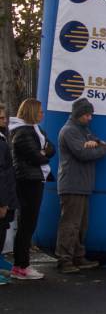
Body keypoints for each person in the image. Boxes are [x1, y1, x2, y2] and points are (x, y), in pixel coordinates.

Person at [56, 98, 106, 274]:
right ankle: (65, 259)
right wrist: (99, 148)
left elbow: (98, 144)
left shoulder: (82, 130)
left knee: (80, 224)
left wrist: (96, 146)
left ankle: (78, 256)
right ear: (79, 114)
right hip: (72, 184)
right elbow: (83, 153)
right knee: (70, 224)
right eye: (87, 114)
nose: (90, 117)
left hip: (82, 184)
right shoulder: (70, 131)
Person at [8, 98, 54, 280]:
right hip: (28, 180)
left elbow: (52, 149)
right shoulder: (22, 132)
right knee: (27, 224)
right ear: (32, 112)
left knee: (29, 223)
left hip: (36, 179)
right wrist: (43, 153)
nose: (42, 114)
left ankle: (22, 264)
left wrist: (44, 152)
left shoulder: (36, 130)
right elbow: (38, 157)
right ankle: (21, 265)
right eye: (40, 111)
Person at [0, 105, 16, 286]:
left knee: (3, 231)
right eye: (1, 119)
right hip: (3, 197)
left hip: (6, 194)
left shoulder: (4, 140)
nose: (4, 121)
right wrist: (3, 202)